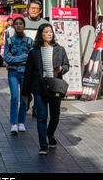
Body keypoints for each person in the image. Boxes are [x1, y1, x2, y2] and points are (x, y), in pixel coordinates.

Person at [22, 23, 70, 155]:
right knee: (42, 117)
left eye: (51, 32)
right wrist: (25, 93)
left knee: (55, 117)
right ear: (40, 34)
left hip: (55, 87)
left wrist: (61, 69)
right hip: (39, 88)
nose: (49, 34)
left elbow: (67, 65)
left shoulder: (60, 49)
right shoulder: (34, 52)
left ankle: (50, 135)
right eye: (46, 32)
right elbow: (28, 73)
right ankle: (43, 145)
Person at [4, 17, 33, 135]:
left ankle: (22, 122)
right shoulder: (9, 41)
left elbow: (31, 59)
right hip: (13, 73)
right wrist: (23, 57)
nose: (19, 26)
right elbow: (6, 58)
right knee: (15, 97)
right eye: (16, 24)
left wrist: (14, 59)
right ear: (13, 26)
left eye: (21, 24)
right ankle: (14, 123)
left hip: (26, 73)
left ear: (24, 26)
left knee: (24, 98)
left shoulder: (30, 41)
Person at [24, 0, 48, 117]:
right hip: (25, 59)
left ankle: (36, 107)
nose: (33, 10)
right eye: (31, 8)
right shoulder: (22, 22)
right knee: (26, 82)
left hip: (40, 59)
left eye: (36, 8)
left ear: (40, 11)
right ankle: (27, 99)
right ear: (28, 9)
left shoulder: (45, 23)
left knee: (39, 84)